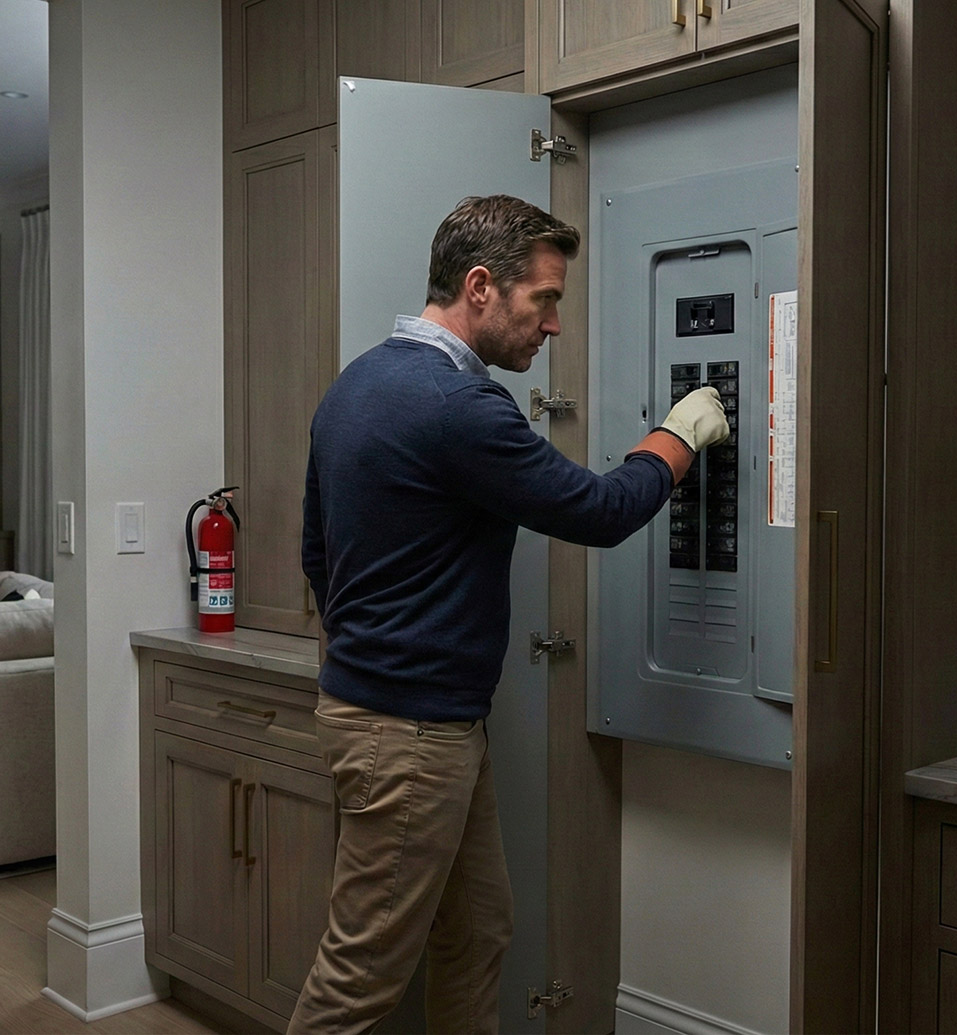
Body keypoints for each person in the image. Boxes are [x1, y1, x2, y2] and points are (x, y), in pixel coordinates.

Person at [293, 194, 730, 1034]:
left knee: (477, 927)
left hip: (406, 719)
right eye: (546, 300)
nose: (554, 325)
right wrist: (677, 435)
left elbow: (317, 553)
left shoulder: (357, 384)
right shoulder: (459, 405)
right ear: (483, 286)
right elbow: (598, 511)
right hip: (409, 733)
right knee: (356, 982)